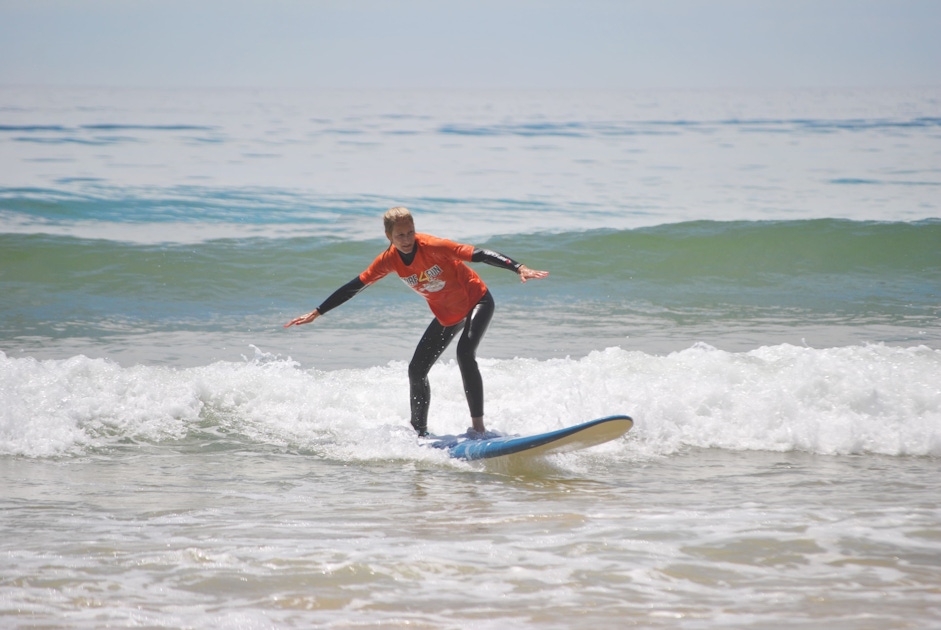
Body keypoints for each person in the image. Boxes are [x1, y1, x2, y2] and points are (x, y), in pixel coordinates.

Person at [285, 207, 549, 437]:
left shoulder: (432, 246)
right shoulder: (388, 260)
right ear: (388, 236)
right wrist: (318, 312)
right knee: (416, 369)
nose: (407, 239)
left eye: (410, 232)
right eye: (400, 235)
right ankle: (418, 432)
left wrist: (518, 267)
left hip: (476, 300)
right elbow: (355, 286)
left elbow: (478, 254)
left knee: (465, 354)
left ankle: (478, 429)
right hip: (447, 314)